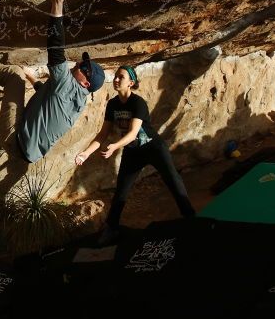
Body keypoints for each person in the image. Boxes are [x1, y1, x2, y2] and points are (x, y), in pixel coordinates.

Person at [0, 0, 105, 163]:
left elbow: (56, 48)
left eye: (83, 67)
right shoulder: (78, 100)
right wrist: (32, 78)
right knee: (13, 134)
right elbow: (49, 100)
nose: (78, 64)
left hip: (15, 139)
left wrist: (57, 4)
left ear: (85, 82)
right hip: (28, 152)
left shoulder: (66, 85)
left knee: (14, 74)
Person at [74, 65, 195, 245]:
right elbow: (103, 134)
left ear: (130, 83)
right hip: (133, 152)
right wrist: (85, 153)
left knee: (173, 179)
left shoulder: (138, 103)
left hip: (153, 147)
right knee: (121, 191)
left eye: (120, 77)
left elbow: (132, 132)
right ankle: (112, 228)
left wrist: (115, 146)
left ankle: (192, 220)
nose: (116, 79)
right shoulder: (113, 104)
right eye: (115, 76)